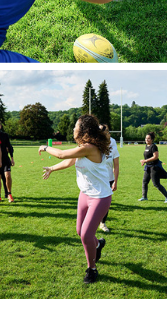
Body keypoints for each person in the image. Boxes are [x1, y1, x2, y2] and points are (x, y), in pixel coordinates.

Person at [39, 115, 113, 284]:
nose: (73, 129)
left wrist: (44, 147)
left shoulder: (89, 147)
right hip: (85, 194)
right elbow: (68, 161)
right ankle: (98, 245)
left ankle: (92, 269)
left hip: (100, 197)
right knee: (80, 232)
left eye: (75, 127)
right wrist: (51, 168)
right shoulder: (82, 148)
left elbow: (61, 154)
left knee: (86, 235)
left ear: (84, 130)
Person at [99, 125, 120, 233]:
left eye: (108, 132)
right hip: (96, 179)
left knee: (106, 203)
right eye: (105, 132)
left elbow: (116, 165)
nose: (108, 134)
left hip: (108, 179)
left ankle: (102, 223)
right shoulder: (94, 145)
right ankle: (92, 221)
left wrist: (115, 181)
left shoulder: (113, 143)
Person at [139, 132, 167, 203]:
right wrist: (144, 162)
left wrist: (145, 160)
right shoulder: (146, 146)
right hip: (148, 167)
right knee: (145, 182)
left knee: (156, 184)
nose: (147, 140)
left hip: (154, 167)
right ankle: (144, 197)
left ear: (152, 139)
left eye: (148, 138)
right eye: (146, 138)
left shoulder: (153, 146)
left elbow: (155, 157)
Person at [0, 120, 15, 202]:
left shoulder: (5, 135)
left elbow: (9, 146)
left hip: (5, 159)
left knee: (8, 176)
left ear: (1, 126)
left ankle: (9, 194)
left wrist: (12, 158)